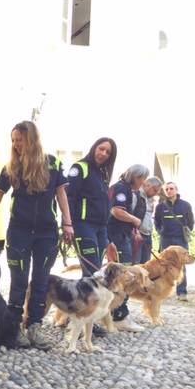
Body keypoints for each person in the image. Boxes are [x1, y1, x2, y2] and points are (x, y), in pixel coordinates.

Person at [0, 121, 74, 351]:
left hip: (47, 234)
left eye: (20, 140)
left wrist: (68, 223)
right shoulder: (11, 168)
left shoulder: (53, 164)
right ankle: (14, 327)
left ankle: (34, 327)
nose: (16, 145)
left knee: (40, 280)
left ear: (31, 139)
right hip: (19, 232)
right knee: (18, 281)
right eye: (13, 140)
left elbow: (61, 195)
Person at [66, 137, 117, 338]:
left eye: (108, 152)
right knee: (92, 274)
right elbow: (68, 197)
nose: (103, 153)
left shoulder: (102, 174)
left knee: (95, 273)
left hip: (100, 228)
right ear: (94, 148)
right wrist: (68, 224)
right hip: (83, 226)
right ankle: (81, 317)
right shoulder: (80, 168)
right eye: (101, 149)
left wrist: (108, 238)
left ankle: (85, 317)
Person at [107, 164, 150, 332]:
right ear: (136, 177)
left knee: (120, 276)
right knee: (123, 276)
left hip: (122, 235)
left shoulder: (125, 190)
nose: (143, 183)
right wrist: (135, 220)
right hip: (117, 237)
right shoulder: (121, 189)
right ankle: (119, 316)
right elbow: (117, 211)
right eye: (142, 179)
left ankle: (117, 314)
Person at [154, 182, 195, 301]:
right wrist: (160, 231)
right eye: (167, 189)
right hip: (165, 239)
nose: (169, 191)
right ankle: (163, 291)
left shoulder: (185, 205)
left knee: (181, 265)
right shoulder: (160, 206)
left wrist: (186, 232)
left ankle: (182, 292)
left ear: (176, 190)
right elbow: (157, 222)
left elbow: (191, 222)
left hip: (180, 239)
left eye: (171, 189)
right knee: (163, 265)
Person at [133, 176, 164, 264]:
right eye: (155, 190)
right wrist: (135, 231)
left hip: (147, 235)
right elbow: (130, 214)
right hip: (137, 235)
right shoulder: (136, 195)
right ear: (147, 185)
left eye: (157, 191)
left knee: (146, 264)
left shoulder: (151, 199)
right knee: (136, 265)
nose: (156, 193)